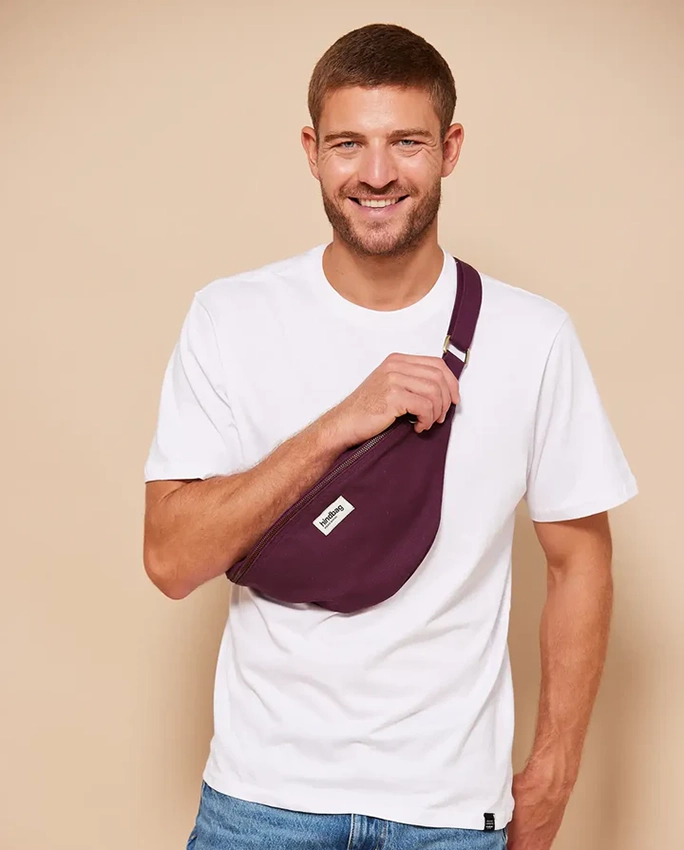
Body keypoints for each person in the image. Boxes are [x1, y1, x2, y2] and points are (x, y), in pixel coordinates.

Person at [142, 22, 638, 850]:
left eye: (406, 142)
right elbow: (169, 560)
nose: (376, 174)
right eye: (349, 144)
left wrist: (553, 773)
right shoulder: (230, 318)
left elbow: (579, 559)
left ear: (450, 149)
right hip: (261, 802)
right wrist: (339, 425)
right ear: (312, 152)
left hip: (449, 811)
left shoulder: (533, 336)